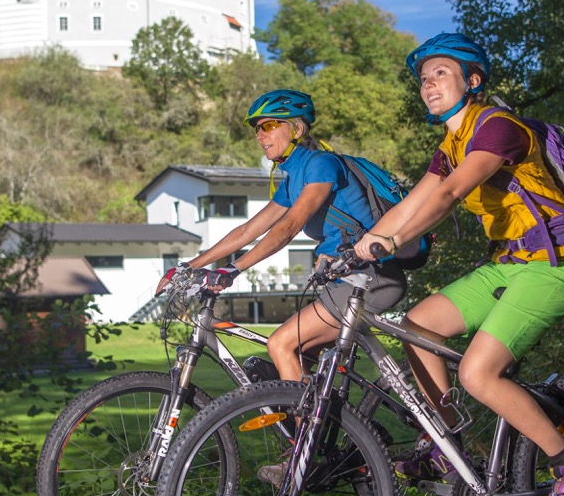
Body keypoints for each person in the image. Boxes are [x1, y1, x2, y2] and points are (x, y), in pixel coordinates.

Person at [353, 32, 564, 496]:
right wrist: (359, 245)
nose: (428, 84)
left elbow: (447, 195)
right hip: (509, 266)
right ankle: (446, 445)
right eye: (424, 79)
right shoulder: (452, 142)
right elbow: (413, 202)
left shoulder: (497, 128)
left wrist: (390, 242)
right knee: (417, 325)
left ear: (473, 81)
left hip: (556, 266)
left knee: (476, 373)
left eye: (440, 74)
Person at [156, 88, 408, 385]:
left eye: (269, 125)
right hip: (344, 281)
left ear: (297, 129)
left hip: (371, 276)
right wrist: (191, 266)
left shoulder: (320, 164)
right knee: (293, 362)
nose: (260, 135)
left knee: (281, 344)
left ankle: (300, 432)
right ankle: (335, 427)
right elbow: (247, 231)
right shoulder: (291, 181)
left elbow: (289, 227)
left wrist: (234, 268)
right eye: (257, 129)